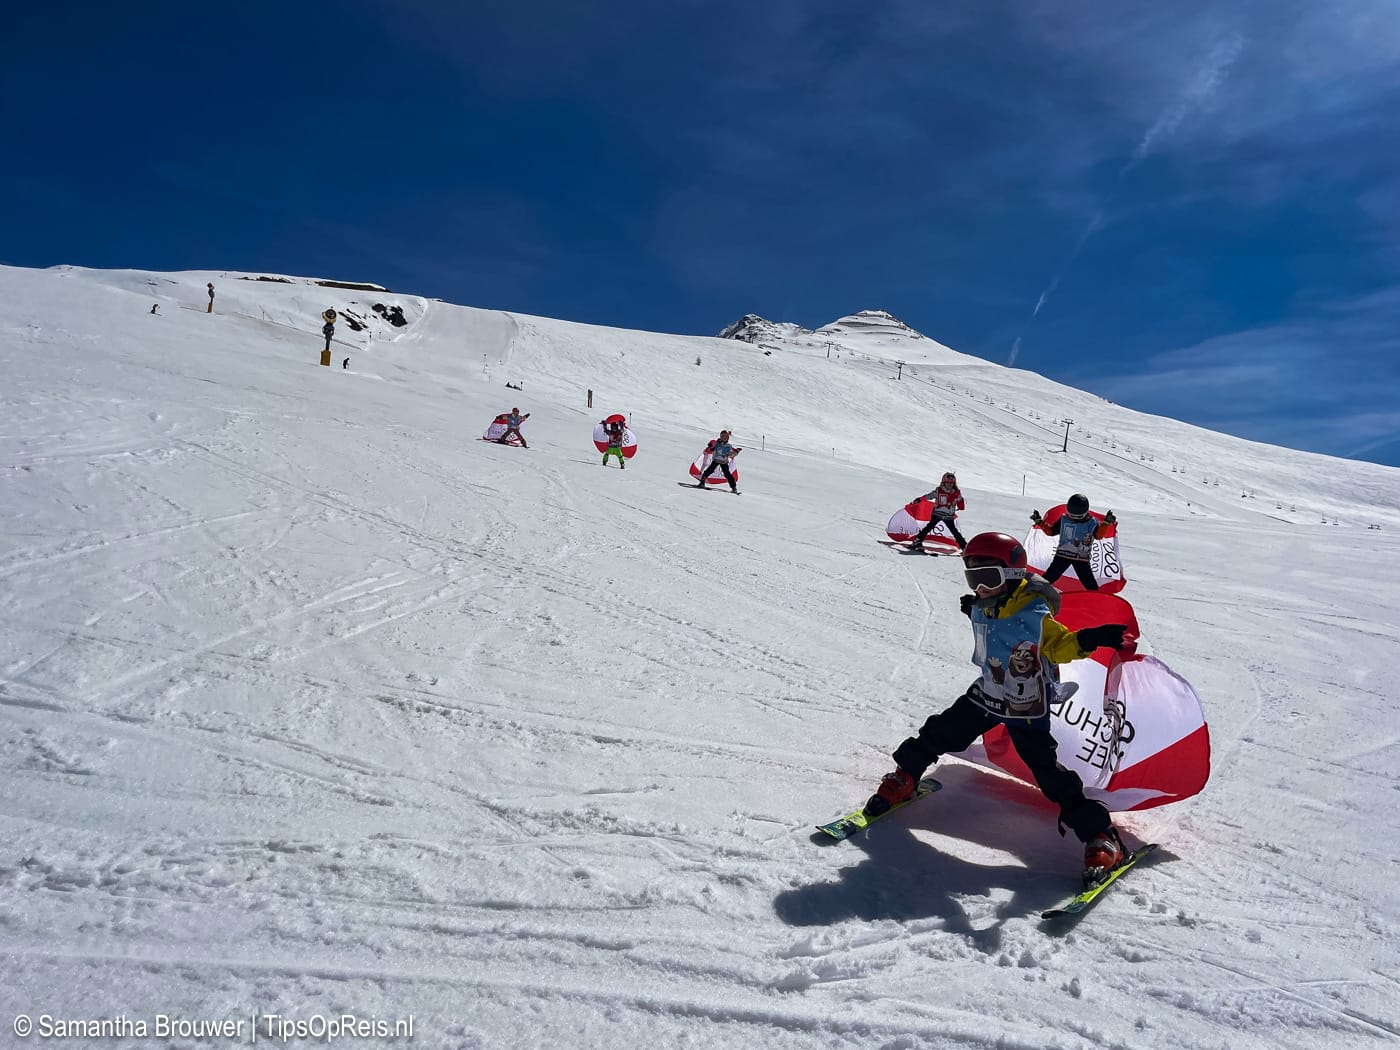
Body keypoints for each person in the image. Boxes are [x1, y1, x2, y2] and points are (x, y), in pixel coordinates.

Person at [867, 531, 1131, 880]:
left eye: (987, 578)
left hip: (1025, 706)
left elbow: (1061, 645)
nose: (979, 587)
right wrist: (975, 609)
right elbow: (996, 626)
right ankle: (906, 776)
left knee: (1048, 774)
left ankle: (1100, 835)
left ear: (1010, 577)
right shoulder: (985, 603)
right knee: (938, 732)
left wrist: (1095, 637)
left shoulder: (1035, 615)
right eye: (972, 578)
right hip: (987, 693)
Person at [1029, 493, 1116, 591]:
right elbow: (1051, 532)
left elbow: (1099, 536)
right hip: (1062, 555)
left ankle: (1096, 600)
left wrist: (1106, 523)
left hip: (1081, 558)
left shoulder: (1091, 522)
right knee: (1050, 577)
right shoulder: (1064, 519)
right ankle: (1033, 592)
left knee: (1089, 583)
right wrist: (1039, 522)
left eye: (1078, 517)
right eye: (1071, 515)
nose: (1074, 519)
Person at [909, 471, 966, 550]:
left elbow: (961, 506)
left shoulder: (956, 493)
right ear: (943, 482)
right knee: (929, 527)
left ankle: (964, 546)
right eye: (947, 482)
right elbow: (929, 496)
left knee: (954, 531)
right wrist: (919, 499)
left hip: (948, 516)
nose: (949, 484)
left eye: (951, 483)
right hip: (937, 514)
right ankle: (918, 540)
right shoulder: (939, 491)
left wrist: (960, 500)